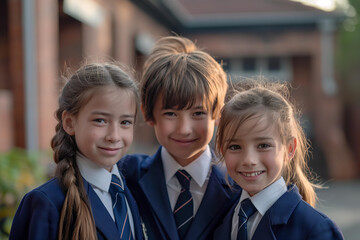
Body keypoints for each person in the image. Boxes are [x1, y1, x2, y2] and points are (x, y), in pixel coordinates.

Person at [119, 36, 240, 240]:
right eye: (170, 114)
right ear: (148, 114)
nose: (184, 129)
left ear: (218, 113)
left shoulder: (239, 182)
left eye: (198, 113)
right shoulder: (125, 175)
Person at [9, 63, 144, 240]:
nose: (114, 136)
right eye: (101, 120)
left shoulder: (132, 190)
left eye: (125, 122)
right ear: (70, 123)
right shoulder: (46, 203)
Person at [213, 80, 344, 240]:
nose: (248, 160)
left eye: (263, 145)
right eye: (235, 147)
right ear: (221, 149)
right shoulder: (220, 217)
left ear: (289, 149)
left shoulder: (316, 229)